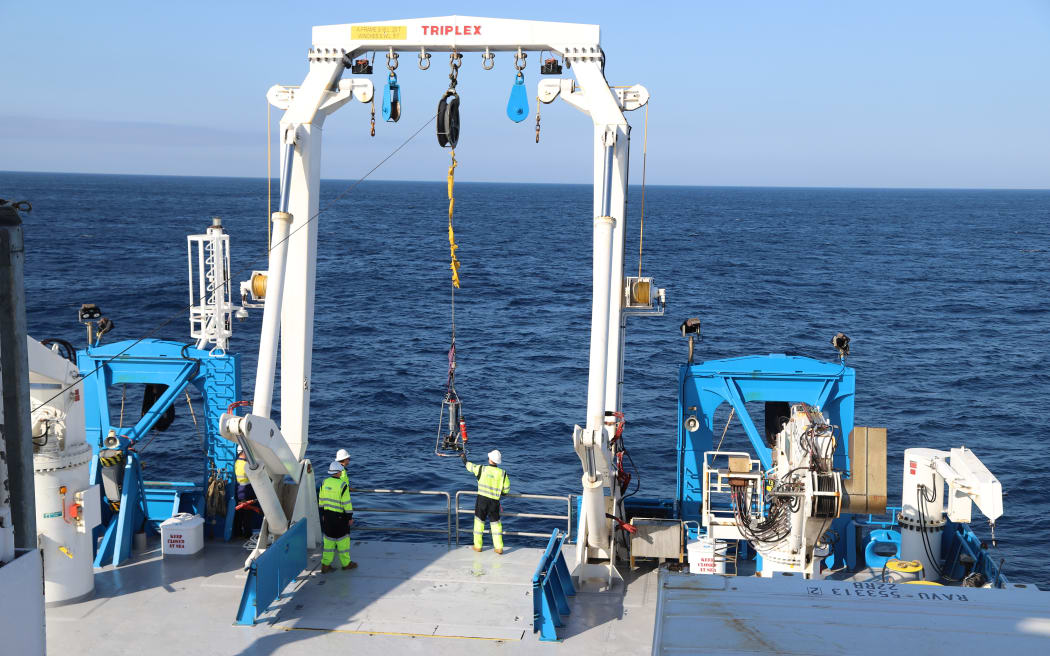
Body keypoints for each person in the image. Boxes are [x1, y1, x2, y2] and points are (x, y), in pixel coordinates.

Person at [461, 449, 510, 554]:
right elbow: (506, 490)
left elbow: (470, 467)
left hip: (482, 500)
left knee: (479, 523)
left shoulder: (481, 469)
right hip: (494, 502)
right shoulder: (502, 473)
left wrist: (464, 459)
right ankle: (499, 548)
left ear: (489, 459)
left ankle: (478, 546)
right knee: (496, 525)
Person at [318, 461, 356, 572]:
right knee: (343, 541)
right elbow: (347, 504)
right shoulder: (342, 485)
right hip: (340, 518)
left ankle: (325, 565)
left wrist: (323, 515)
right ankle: (346, 564)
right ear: (339, 472)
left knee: (328, 542)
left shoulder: (324, 482)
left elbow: (321, 500)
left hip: (327, 517)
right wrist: (349, 517)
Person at [233, 447, 256, 537]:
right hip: (247, 492)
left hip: (240, 492)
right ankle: (247, 535)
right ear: (245, 453)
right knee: (247, 516)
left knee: (240, 515)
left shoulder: (237, 462)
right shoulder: (246, 465)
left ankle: (238, 533)